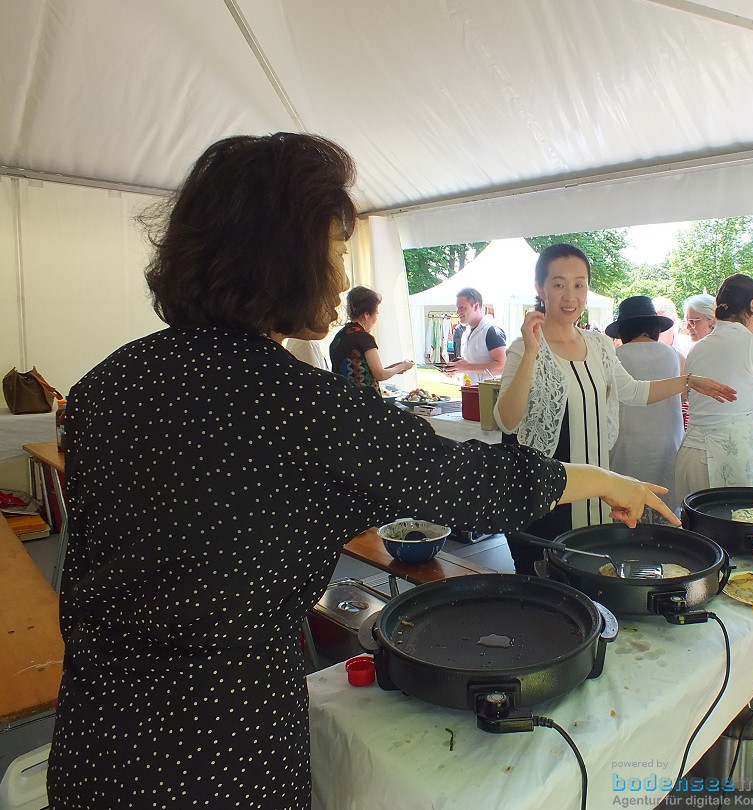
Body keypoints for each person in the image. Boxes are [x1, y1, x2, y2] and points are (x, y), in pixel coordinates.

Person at [48, 133, 678, 810]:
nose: (344, 279)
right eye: (337, 251)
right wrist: (610, 481)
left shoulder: (106, 385)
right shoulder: (300, 405)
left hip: (94, 736)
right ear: (284, 252)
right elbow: (470, 483)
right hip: (224, 746)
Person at [494, 243, 737, 574]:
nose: (570, 296)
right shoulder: (524, 348)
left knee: (590, 572)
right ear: (540, 288)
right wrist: (533, 352)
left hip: (594, 492)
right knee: (547, 583)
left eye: (579, 284)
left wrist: (688, 381)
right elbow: (506, 420)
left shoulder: (598, 346)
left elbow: (633, 391)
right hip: (545, 496)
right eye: (559, 284)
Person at [675, 274, 753, 498]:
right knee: (728, 527)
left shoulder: (699, 347)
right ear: (752, 305)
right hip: (727, 456)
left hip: (690, 452)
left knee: (692, 528)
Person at [607, 296, 684, 516]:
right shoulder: (673, 355)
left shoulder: (615, 356)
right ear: (654, 327)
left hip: (627, 444)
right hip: (668, 443)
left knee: (627, 508)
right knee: (664, 508)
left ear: (624, 330)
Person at [329, 285, 414, 387]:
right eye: (376, 314)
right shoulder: (364, 338)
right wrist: (403, 365)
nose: (376, 320)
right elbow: (380, 375)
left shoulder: (340, 335)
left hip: (343, 397)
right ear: (366, 315)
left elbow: (360, 372)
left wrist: (393, 369)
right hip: (363, 400)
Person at [445, 287, 507, 379]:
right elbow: (471, 365)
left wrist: (466, 367)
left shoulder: (491, 331)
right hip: (470, 391)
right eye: (458, 308)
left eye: (462, 307)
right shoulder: (466, 333)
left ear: (476, 306)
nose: (458, 312)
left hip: (488, 392)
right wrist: (456, 370)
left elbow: (503, 366)